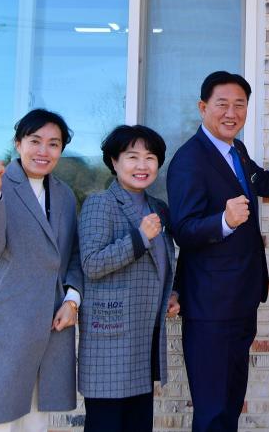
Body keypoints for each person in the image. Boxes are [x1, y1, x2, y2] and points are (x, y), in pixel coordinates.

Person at [167, 70, 269, 432]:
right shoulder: (190, 159)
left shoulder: (235, 150)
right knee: (212, 410)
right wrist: (224, 221)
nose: (231, 113)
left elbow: (265, 183)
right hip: (210, 306)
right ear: (203, 107)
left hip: (240, 300)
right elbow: (184, 229)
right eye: (222, 104)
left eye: (239, 105)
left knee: (229, 405)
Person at [0, 109, 82, 431]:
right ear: (18, 144)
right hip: (5, 321)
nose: (44, 151)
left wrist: (72, 301)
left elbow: (73, 254)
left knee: (36, 421)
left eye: (53, 144)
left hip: (51, 321)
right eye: (35, 141)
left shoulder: (65, 195)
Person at [77, 125, 179, 432]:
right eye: (132, 157)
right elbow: (91, 264)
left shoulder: (158, 207)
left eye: (150, 157)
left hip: (145, 335)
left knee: (138, 423)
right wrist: (140, 238)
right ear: (114, 161)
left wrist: (172, 294)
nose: (142, 165)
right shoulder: (100, 203)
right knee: (107, 424)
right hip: (110, 338)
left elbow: (162, 263)